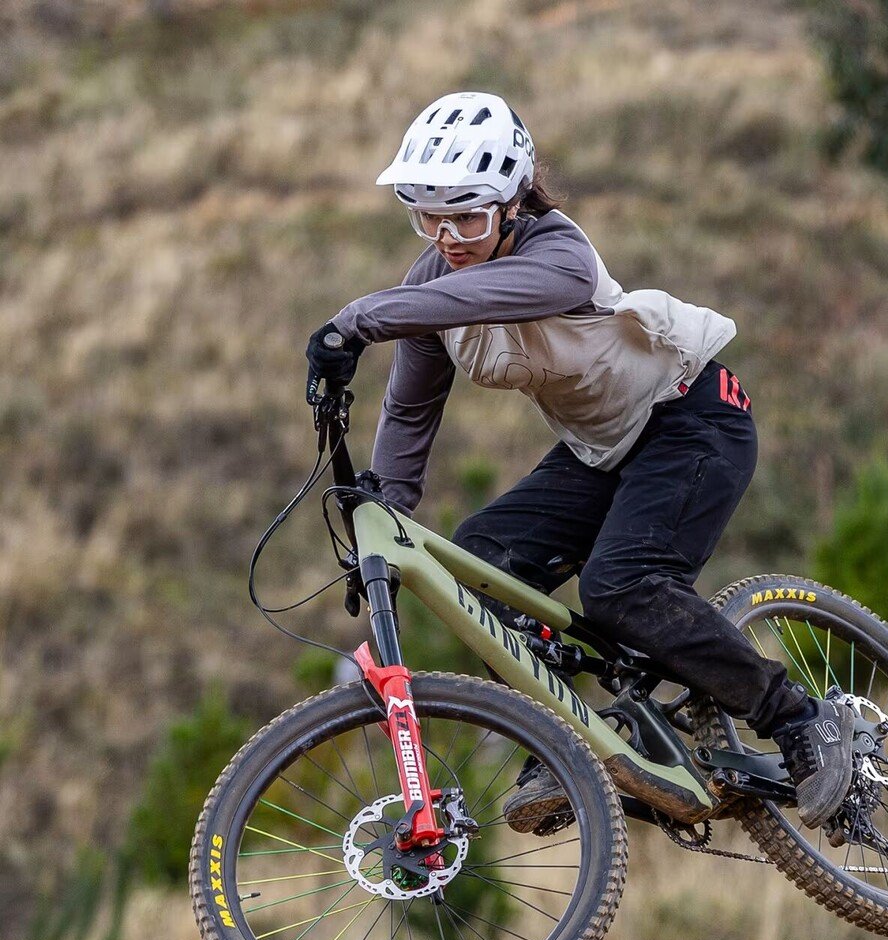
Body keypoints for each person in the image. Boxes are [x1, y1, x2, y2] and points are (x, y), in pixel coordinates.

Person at [305, 91, 855, 833]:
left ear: (511, 203)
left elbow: (515, 294)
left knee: (621, 586)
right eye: (427, 219)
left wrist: (360, 320)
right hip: (599, 449)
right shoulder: (427, 291)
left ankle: (800, 721)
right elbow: (409, 411)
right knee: (478, 567)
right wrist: (382, 523)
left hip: (692, 418)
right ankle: (564, 740)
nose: (448, 238)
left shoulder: (557, 251)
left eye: (467, 218)